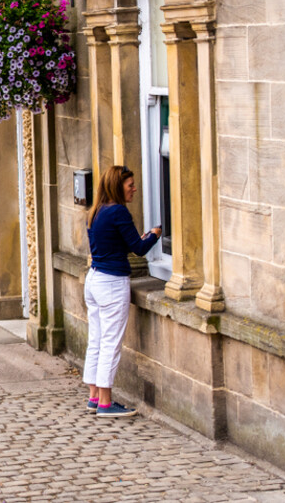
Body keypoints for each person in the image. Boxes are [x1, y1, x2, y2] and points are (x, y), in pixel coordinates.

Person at [83, 165, 161, 418]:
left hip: (94, 280)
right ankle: (106, 402)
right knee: (110, 343)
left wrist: (137, 239)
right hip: (112, 283)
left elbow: (115, 245)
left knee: (95, 340)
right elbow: (138, 249)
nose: (135, 189)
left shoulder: (96, 212)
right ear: (118, 186)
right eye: (130, 185)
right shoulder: (118, 212)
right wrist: (155, 234)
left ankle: (94, 396)